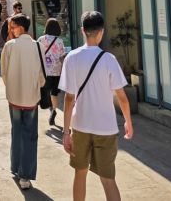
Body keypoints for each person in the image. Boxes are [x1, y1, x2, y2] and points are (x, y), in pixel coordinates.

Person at [60, 11, 134, 201]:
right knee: (108, 179)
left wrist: (66, 132)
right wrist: (128, 121)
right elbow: (122, 97)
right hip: (106, 127)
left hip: (80, 125)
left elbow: (68, 99)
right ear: (101, 32)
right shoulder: (109, 60)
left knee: (80, 173)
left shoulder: (72, 58)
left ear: (83, 30)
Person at [0, 13, 46, 190]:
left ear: (20, 27)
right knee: (30, 135)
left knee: (17, 131)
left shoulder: (9, 46)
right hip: (31, 97)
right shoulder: (38, 46)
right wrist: (35, 86)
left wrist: (11, 87)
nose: (11, 30)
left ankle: (16, 167)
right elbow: (42, 74)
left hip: (14, 97)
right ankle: (25, 175)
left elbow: (4, 72)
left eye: (12, 27)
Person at [38, 17, 68, 126]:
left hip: (45, 72)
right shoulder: (60, 41)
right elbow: (62, 56)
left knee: (45, 91)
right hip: (57, 72)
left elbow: (37, 53)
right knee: (54, 93)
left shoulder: (41, 39)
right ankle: (54, 110)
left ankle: (50, 109)